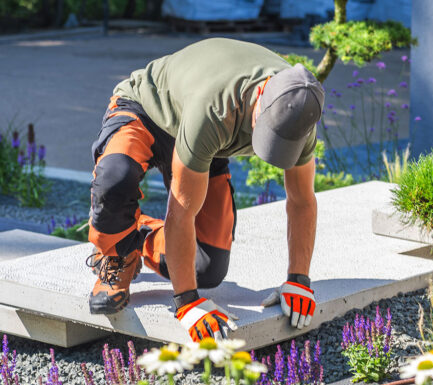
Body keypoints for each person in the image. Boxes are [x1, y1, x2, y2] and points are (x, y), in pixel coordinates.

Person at [86, 37, 323, 342]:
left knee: (206, 268)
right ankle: (115, 252)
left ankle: (139, 238)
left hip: (203, 137)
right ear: (260, 95)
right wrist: (187, 303)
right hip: (144, 109)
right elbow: (181, 209)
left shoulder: (300, 108)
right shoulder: (216, 107)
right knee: (114, 179)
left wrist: (299, 280)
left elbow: (302, 200)